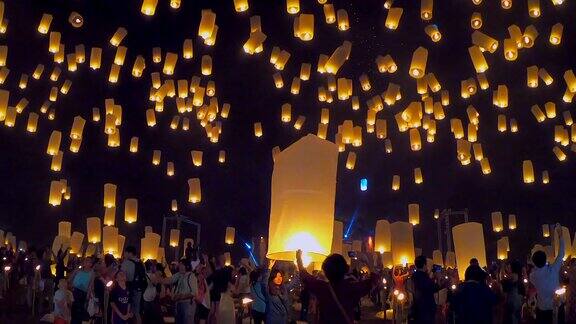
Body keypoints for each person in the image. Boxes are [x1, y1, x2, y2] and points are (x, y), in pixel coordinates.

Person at [296, 250, 379, 324]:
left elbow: (305, 276)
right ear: (345, 269)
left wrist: (299, 258)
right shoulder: (351, 288)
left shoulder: (322, 288)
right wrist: (371, 264)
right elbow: (373, 282)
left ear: (325, 271)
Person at [530, 223, 565, 324]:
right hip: (556, 306)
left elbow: (536, 268)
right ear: (545, 259)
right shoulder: (553, 269)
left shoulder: (533, 276)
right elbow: (561, 253)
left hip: (542, 310)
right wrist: (560, 235)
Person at [407, 255, 439, 324]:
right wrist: (438, 281)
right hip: (426, 308)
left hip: (417, 307)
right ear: (424, 265)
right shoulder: (423, 276)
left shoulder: (414, 276)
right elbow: (432, 288)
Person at [165, 258, 198, 324]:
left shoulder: (191, 276)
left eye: (181, 265)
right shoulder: (179, 275)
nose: (179, 267)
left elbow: (194, 293)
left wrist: (181, 296)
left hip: (187, 304)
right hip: (179, 303)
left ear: (186, 266)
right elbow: (169, 280)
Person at [121, 246, 145, 324]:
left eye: (125, 252)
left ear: (130, 253)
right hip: (139, 289)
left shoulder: (126, 262)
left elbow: (122, 276)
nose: (124, 254)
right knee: (137, 311)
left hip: (129, 288)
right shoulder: (140, 262)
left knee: (128, 310)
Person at [69, 257, 95, 324]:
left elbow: (90, 285)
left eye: (89, 261)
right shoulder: (78, 270)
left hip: (83, 292)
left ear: (91, 264)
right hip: (75, 290)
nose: (86, 262)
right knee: (74, 309)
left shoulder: (92, 273)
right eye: (85, 261)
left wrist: (88, 295)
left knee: (80, 310)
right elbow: (71, 278)